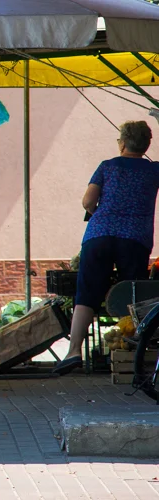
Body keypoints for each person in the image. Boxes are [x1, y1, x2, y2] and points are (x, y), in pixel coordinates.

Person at [54, 121, 159, 375]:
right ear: (146, 144)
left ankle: (74, 351)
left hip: (99, 235)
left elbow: (88, 201)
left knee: (87, 291)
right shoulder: (154, 170)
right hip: (135, 238)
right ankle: (134, 353)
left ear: (122, 143)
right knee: (134, 296)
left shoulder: (107, 166)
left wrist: (99, 212)